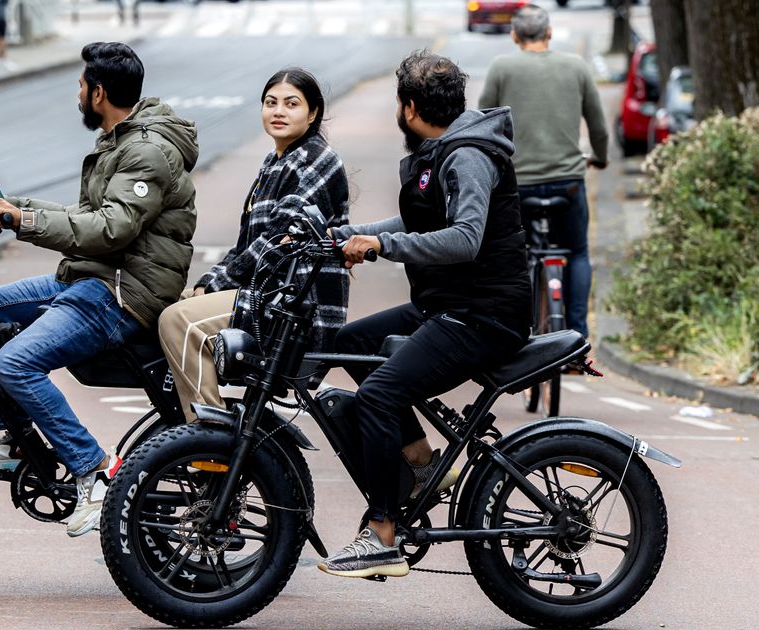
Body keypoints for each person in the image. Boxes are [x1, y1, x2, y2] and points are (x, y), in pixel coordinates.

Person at [0, 42, 199, 538]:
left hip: (123, 291)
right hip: (93, 275)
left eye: (80, 85)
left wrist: (23, 219)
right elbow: (88, 218)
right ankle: (17, 439)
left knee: (15, 362)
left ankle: (93, 469)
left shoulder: (146, 151)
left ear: (99, 93)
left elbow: (110, 229)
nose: (77, 94)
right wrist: (9, 206)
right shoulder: (120, 139)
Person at [318, 50, 531, 579]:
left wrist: (380, 246)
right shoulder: (445, 149)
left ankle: (383, 533)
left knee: (379, 395)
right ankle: (420, 464)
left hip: (483, 314)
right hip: (447, 305)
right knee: (354, 343)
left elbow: (464, 238)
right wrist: (347, 235)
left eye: (398, 103)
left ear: (409, 108)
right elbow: (419, 215)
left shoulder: (467, 156)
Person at [158, 68, 349, 422]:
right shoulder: (275, 161)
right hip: (271, 294)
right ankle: (194, 426)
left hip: (296, 304)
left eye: (291, 104)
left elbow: (277, 240)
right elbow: (245, 245)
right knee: (177, 303)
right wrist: (205, 283)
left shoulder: (315, 160)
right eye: (270, 102)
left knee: (177, 321)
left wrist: (216, 284)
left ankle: (206, 435)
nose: (278, 111)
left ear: (313, 113)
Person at [477, 3, 608, 338]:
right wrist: (600, 158)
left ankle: (513, 331)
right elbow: (598, 127)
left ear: (514, 35)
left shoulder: (501, 67)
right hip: (568, 182)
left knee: (511, 253)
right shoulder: (576, 66)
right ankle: (577, 337)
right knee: (577, 252)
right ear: (549, 33)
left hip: (518, 185)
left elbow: (483, 122)